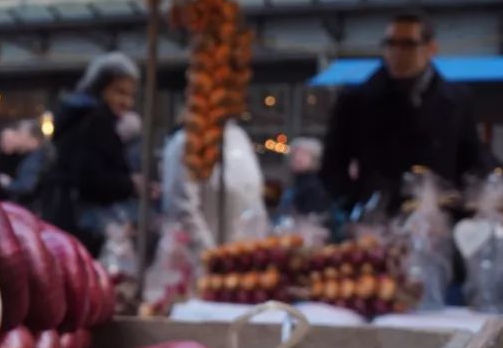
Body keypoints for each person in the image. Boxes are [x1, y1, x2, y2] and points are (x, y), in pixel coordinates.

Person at [320, 11, 495, 214]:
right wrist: (355, 204)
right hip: (379, 221)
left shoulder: (457, 99)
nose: (397, 53)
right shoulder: (355, 100)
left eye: (408, 45)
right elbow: (332, 166)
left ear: (431, 49)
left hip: (441, 218)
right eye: (390, 44)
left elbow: (471, 158)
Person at [43, 52, 141, 254]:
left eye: (130, 95)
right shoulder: (95, 122)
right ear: (100, 89)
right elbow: (91, 179)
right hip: (85, 231)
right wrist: (131, 184)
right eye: (119, 92)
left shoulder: (80, 118)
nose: (127, 102)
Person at [161, 118, 267, 255]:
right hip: (204, 254)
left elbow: (254, 198)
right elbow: (182, 207)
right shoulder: (185, 142)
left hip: (243, 253)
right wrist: (208, 253)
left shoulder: (239, 136)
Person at [0, 120, 53, 209]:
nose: (18, 139)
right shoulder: (33, 157)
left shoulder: (35, 160)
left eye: (21, 135)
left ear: (33, 139)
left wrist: (8, 184)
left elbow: (27, 186)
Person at [277, 137, 332, 217]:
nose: (297, 158)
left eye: (303, 154)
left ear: (314, 158)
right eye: (294, 154)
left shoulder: (314, 187)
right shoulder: (295, 181)